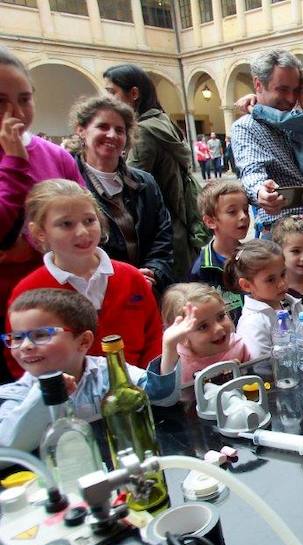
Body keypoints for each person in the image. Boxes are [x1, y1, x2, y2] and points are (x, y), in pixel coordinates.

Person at [5, 179, 163, 378]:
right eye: (66, 224)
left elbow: (154, 337)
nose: (82, 232)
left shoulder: (132, 277)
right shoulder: (29, 292)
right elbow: (20, 356)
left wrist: (146, 384)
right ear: (40, 232)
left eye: (89, 220)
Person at [0, 289, 182, 451]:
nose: (26, 346)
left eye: (40, 335)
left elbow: (161, 396)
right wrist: (46, 392)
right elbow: (9, 446)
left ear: (84, 341)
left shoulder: (106, 372)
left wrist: (170, 347)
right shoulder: (14, 395)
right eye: (16, 337)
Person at [0, 47, 85, 382]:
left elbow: (84, 217)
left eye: (24, 98)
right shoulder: (19, 159)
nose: (15, 112)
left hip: (58, 300)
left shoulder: (56, 157)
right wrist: (15, 162)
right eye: (1, 101)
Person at [103, 63, 206, 282]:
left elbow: (131, 185)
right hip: (178, 225)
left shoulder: (144, 132)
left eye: (112, 92)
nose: (109, 100)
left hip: (162, 231)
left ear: (133, 94)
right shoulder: (161, 121)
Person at [71, 96, 175, 293]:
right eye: (103, 127)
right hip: (98, 293)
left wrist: (153, 272)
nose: (112, 135)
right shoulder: (70, 185)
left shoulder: (145, 183)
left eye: (120, 130)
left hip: (148, 290)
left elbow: (163, 235)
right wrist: (124, 277)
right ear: (81, 130)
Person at [230, 49, 303, 239]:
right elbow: (251, 170)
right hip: (284, 239)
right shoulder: (247, 126)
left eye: (295, 90)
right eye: (282, 89)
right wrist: (261, 192)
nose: (291, 99)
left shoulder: (300, 119)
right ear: (258, 84)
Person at [227, 239, 303, 359]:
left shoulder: (292, 303)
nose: (282, 284)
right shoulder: (252, 323)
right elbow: (261, 367)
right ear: (246, 285)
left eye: (283, 274)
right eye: (270, 280)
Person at [161, 283, 250, 385]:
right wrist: (169, 348)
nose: (218, 328)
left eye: (221, 316)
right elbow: (164, 393)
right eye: (203, 326)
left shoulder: (239, 346)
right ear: (182, 338)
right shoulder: (179, 364)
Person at [190, 180, 249, 323]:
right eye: (232, 212)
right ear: (210, 221)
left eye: (246, 210)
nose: (243, 216)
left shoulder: (252, 257)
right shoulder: (202, 268)